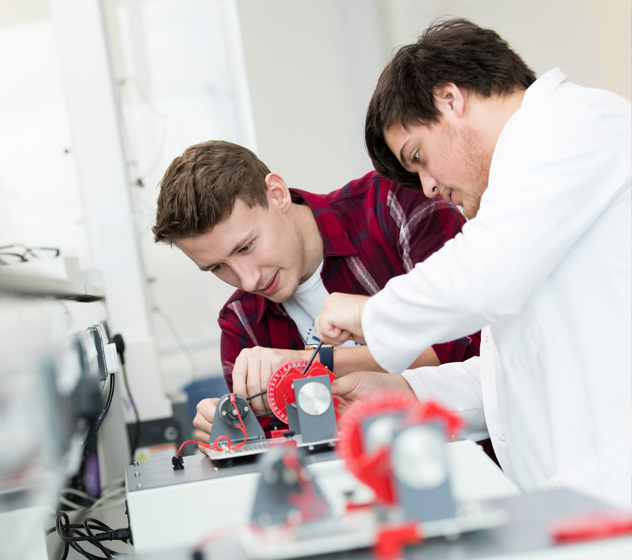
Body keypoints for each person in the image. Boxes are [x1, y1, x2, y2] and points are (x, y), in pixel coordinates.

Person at [315, 19, 631, 505]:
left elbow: (485, 275)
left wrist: (368, 314)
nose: (428, 188)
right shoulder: (526, 187)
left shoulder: (572, 123)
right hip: (585, 503)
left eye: (418, 155)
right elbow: (516, 372)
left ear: (450, 99)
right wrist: (405, 391)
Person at [152, 140, 480, 444]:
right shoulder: (241, 322)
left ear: (277, 194)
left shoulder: (393, 204)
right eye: (217, 268)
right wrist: (231, 433)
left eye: (247, 247)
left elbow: (467, 345)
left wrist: (309, 364)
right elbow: (281, 459)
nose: (248, 281)